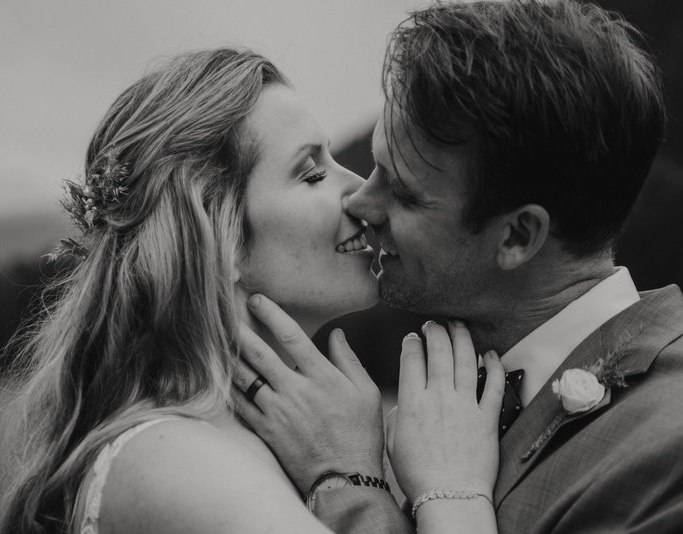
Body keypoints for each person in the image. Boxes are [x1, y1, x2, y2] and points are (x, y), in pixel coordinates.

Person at [0, 48, 504, 534]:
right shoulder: (177, 463)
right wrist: (454, 493)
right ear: (220, 239)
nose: (361, 193)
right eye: (312, 173)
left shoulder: (246, 445)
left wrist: (350, 472)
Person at [233, 1, 683, 533]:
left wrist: (351, 483)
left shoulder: (666, 451)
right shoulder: (425, 405)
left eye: (403, 193)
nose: (359, 205)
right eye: (375, 164)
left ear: (517, 236)